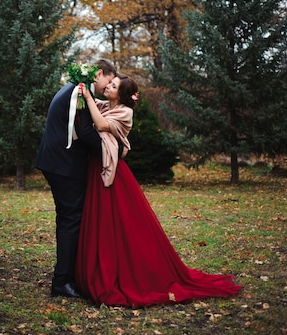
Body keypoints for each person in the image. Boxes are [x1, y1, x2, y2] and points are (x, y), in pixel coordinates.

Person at [75, 75, 242, 307]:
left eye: (113, 85)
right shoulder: (104, 105)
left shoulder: (125, 112)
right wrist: (83, 90)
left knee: (120, 221)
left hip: (113, 173)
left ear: (122, 95)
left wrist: (86, 97)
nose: (108, 86)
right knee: (101, 219)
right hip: (98, 167)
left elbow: (102, 125)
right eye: (109, 83)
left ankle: (126, 271)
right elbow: (92, 111)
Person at [35, 58, 117, 298]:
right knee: (71, 220)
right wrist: (114, 152)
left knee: (68, 219)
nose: (108, 87)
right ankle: (62, 281)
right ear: (99, 73)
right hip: (63, 165)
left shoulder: (78, 89)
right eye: (109, 81)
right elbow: (85, 132)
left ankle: (69, 275)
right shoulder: (79, 93)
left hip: (57, 162)